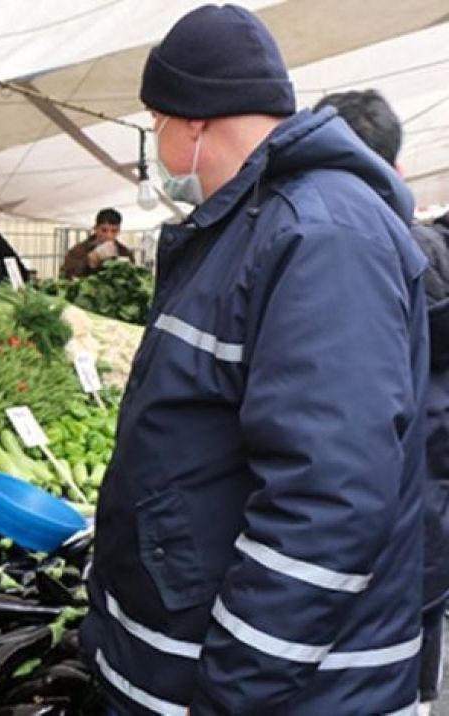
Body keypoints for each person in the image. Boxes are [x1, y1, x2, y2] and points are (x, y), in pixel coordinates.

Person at [81, 6, 428, 715]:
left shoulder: (323, 237)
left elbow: (327, 503)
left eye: (156, 123)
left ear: (196, 122)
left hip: (297, 691)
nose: (157, 143)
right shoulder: (254, 222)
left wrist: (233, 690)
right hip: (199, 657)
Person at [316, 88, 449, 713]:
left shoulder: (346, 256)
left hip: (363, 546)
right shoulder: (427, 252)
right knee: (417, 663)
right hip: (429, 524)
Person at [60, 208, 135, 278]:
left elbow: (132, 279)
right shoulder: (79, 250)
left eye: (114, 231)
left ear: (119, 231)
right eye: (104, 230)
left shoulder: (124, 252)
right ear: (95, 228)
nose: (108, 235)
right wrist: (89, 261)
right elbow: (65, 275)